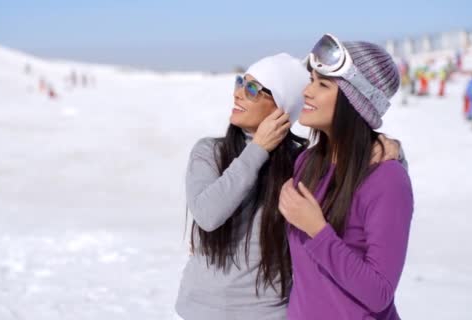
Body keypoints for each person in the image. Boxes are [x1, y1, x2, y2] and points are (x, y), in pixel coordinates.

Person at [175, 53, 404, 320]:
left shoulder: (301, 163)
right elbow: (207, 214)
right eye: (240, 82)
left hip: (268, 315)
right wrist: (257, 150)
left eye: (252, 89)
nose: (238, 94)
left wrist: (394, 152)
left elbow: (364, 190)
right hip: (197, 311)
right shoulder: (210, 152)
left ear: (282, 107)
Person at [279, 34, 413, 320]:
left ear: (356, 103)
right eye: (311, 79)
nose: (308, 91)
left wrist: (317, 230)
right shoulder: (307, 162)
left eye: (323, 84)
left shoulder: (387, 179)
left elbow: (379, 294)